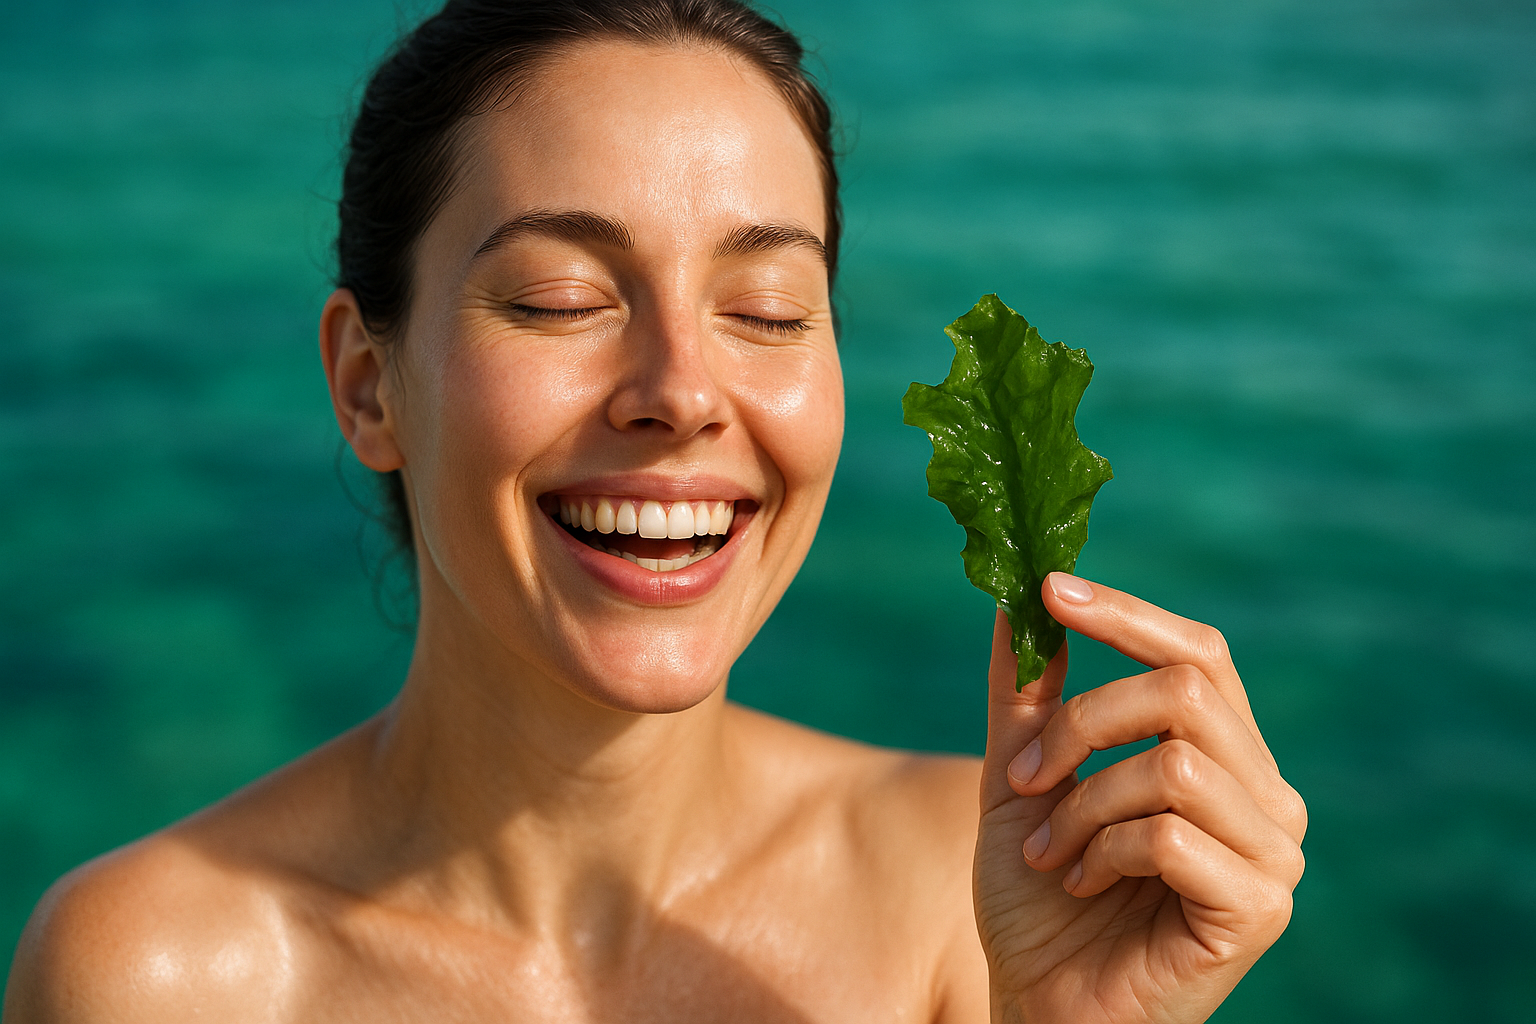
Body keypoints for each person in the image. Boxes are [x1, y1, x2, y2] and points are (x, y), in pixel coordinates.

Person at [2, 1, 1306, 1021]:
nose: (683, 391)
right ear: (367, 384)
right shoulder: (155, 978)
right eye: (562, 299)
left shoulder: (983, 891)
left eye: (768, 312)